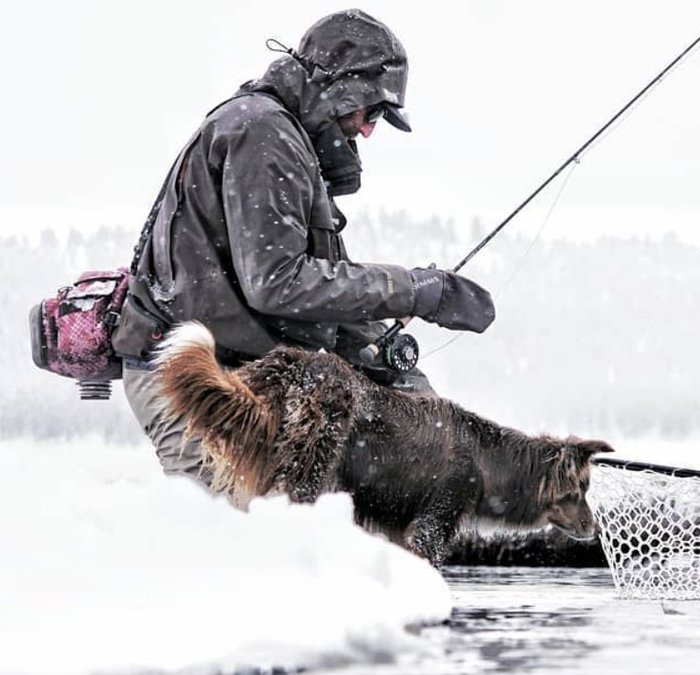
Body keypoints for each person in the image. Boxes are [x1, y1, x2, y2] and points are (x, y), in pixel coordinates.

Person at [112, 9, 494, 487]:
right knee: (240, 541)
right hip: (197, 383)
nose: (370, 130)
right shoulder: (264, 134)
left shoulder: (283, 135)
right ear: (343, 88)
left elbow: (314, 278)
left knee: (305, 523)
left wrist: (375, 343)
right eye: (372, 110)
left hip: (242, 377)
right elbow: (278, 283)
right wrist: (415, 290)